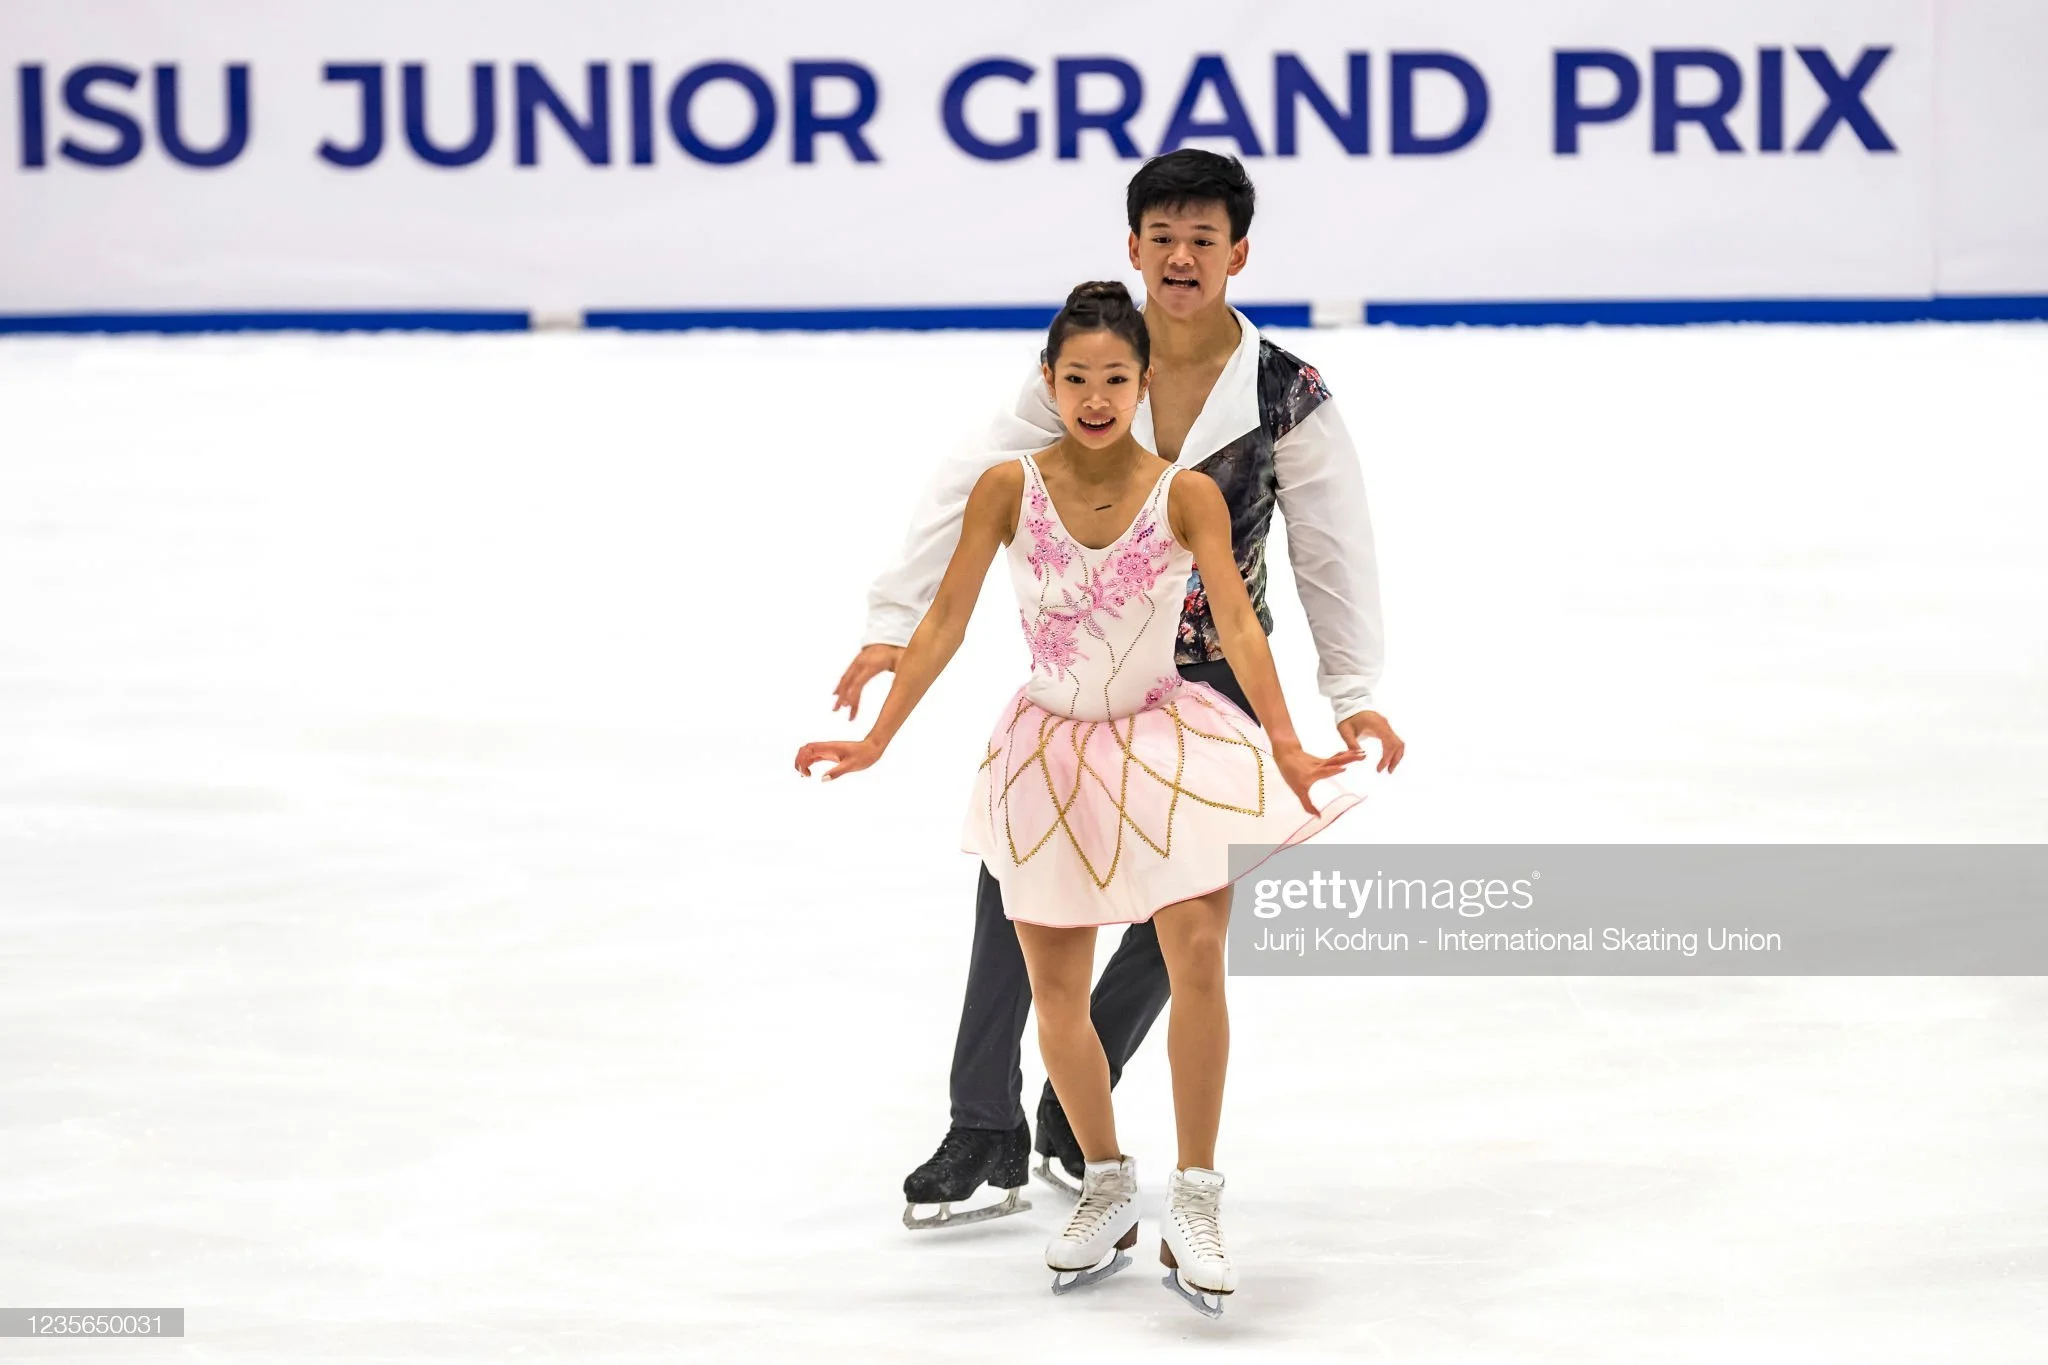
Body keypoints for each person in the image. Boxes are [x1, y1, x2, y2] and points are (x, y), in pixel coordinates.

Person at [835, 150, 1405, 1223]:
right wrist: (890, 622)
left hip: (1219, 680)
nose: (1180, 257)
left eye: (1202, 240)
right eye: (1161, 237)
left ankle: (1071, 1097)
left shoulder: (1286, 394)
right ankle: (983, 1123)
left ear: (1237, 253)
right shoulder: (1086, 365)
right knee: (1018, 886)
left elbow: (1332, 551)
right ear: (1132, 247)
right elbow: (971, 488)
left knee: (1179, 913)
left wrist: (1352, 691)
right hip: (1096, 671)